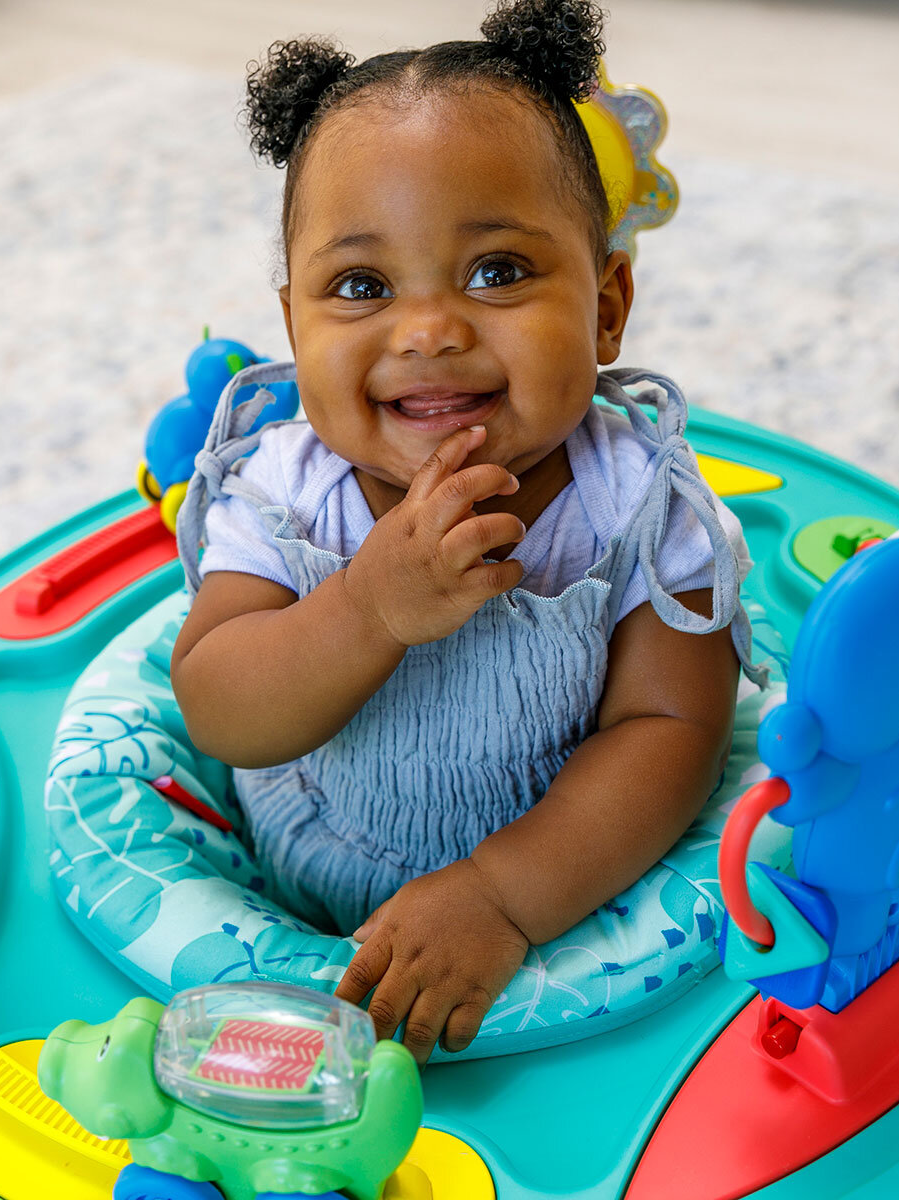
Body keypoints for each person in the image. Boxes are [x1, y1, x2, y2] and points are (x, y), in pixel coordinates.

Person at [172, 0, 761, 1064]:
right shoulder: (285, 490)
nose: (430, 330)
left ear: (606, 306)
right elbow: (219, 706)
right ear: (293, 321)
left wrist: (502, 895)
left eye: (497, 272)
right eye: (360, 286)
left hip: (567, 894)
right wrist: (366, 607)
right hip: (304, 873)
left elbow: (674, 731)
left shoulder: (640, 502)